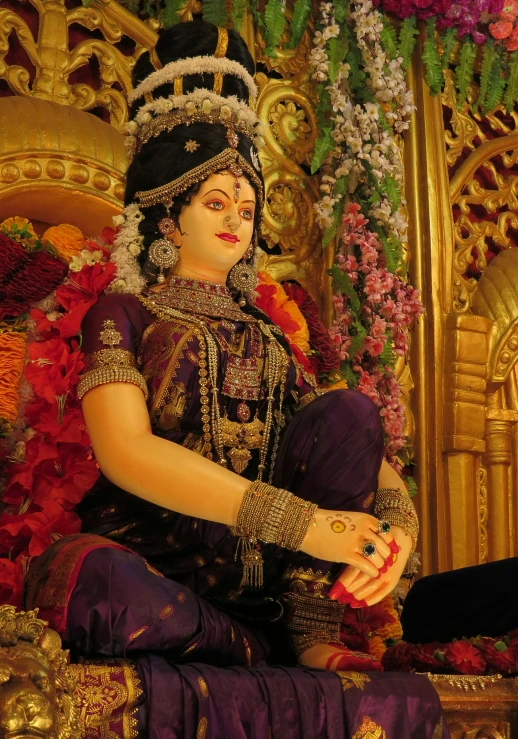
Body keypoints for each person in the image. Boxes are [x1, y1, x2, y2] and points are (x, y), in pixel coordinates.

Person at [24, 20, 447, 737]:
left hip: (267, 587)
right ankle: (261, 650)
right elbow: (125, 451)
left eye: (246, 208)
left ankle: (307, 631)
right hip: (156, 576)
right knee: (89, 579)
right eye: (215, 202)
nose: (236, 221)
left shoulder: (269, 337)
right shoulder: (123, 312)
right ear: (166, 214)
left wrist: (396, 532)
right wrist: (304, 523)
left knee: (348, 409)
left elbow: (363, 457)